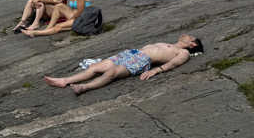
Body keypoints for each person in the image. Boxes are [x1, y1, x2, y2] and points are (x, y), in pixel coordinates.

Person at [44, 34, 204, 95]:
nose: (186, 35)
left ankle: (84, 87)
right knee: (95, 67)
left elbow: (174, 64)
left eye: (190, 37)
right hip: (132, 53)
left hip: (142, 60)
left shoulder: (183, 53)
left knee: (112, 72)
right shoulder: (169, 43)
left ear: (193, 45)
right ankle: (64, 80)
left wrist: (157, 71)